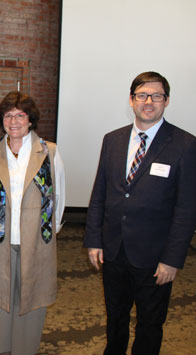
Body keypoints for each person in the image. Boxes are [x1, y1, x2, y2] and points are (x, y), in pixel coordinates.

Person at [84, 71, 196, 355]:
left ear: (166, 101)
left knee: (150, 324)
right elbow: (100, 193)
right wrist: (94, 240)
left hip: (155, 257)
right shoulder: (113, 140)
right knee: (115, 318)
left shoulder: (185, 145)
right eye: (142, 95)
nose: (149, 101)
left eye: (156, 96)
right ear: (132, 100)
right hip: (114, 250)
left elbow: (186, 208)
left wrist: (172, 260)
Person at [0, 91, 65, 355]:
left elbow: (58, 198)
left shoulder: (49, 152)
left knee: (31, 296)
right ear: (2, 120)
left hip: (35, 242)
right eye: (8, 115)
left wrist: (47, 236)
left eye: (20, 115)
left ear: (30, 120)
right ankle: (0, 349)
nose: (14, 121)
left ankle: (25, 350)